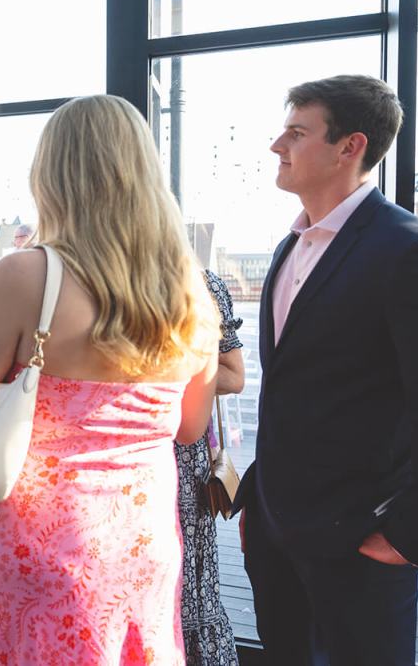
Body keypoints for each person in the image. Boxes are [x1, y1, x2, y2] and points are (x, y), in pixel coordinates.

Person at [0, 95, 219, 665]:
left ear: (53, 176)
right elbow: (191, 426)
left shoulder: (27, 274)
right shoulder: (191, 288)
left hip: (47, 542)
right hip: (145, 538)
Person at [235, 75, 418, 666]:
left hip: (361, 541)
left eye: (297, 133)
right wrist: (260, 501)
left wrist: (412, 535)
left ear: (351, 147)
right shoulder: (288, 249)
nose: (278, 145)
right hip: (276, 534)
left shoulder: (408, 248)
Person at [175, 270, 244, 666]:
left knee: (189, 594)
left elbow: (234, 377)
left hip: (183, 457)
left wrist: (167, 366)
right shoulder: (89, 275)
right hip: (111, 465)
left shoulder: (201, 283)